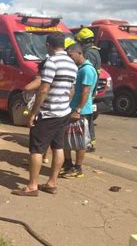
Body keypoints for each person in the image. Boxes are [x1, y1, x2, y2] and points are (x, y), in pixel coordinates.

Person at [11, 32, 77, 196]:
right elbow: (71, 91)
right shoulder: (72, 64)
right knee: (58, 147)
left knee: (36, 149)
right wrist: (64, 105)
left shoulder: (51, 62)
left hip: (48, 113)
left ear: (48, 45)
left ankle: (32, 186)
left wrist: (34, 113)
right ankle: (51, 183)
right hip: (63, 112)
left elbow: (43, 90)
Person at [60, 44, 97, 178]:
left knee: (79, 141)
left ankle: (78, 168)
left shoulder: (87, 70)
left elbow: (86, 91)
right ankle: (68, 164)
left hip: (80, 111)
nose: (70, 59)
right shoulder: (79, 69)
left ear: (79, 53)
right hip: (72, 108)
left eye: (71, 56)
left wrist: (78, 109)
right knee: (67, 138)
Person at [76, 28, 100, 152]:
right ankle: (90, 141)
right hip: (92, 89)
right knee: (88, 119)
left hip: (88, 89)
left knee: (86, 120)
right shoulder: (95, 51)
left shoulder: (89, 53)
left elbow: (87, 73)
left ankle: (88, 143)